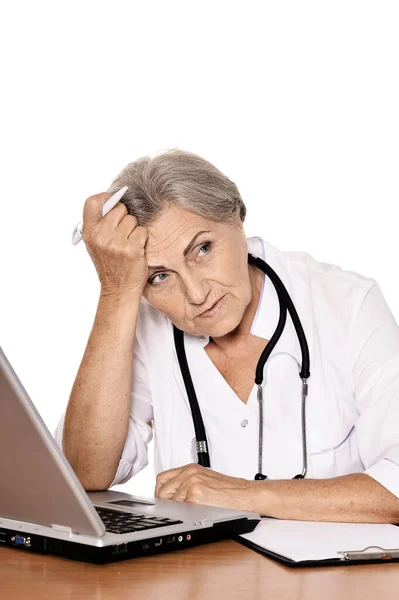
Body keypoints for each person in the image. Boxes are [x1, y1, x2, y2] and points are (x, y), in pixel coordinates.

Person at [54, 149, 399, 523]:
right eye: (159, 276)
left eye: (202, 249)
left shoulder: (347, 304)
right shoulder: (140, 321)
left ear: (237, 215)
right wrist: (116, 290)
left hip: (338, 579)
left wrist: (245, 495)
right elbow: (82, 474)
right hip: (200, 578)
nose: (197, 294)